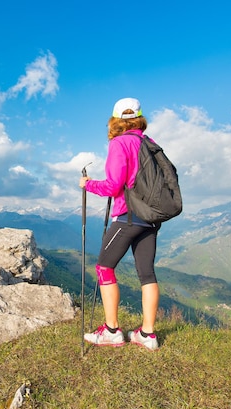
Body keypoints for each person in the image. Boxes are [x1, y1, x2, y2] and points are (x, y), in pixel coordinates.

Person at [79, 97, 161, 350]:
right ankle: (148, 335)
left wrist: (88, 184)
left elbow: (114, 186)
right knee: (147, 273)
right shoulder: (150, 144)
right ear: (139, 117)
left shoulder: (119, 144)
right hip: (152, 216)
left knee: (104, 267)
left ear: (115, 120)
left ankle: (113, 331)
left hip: (128, 216)